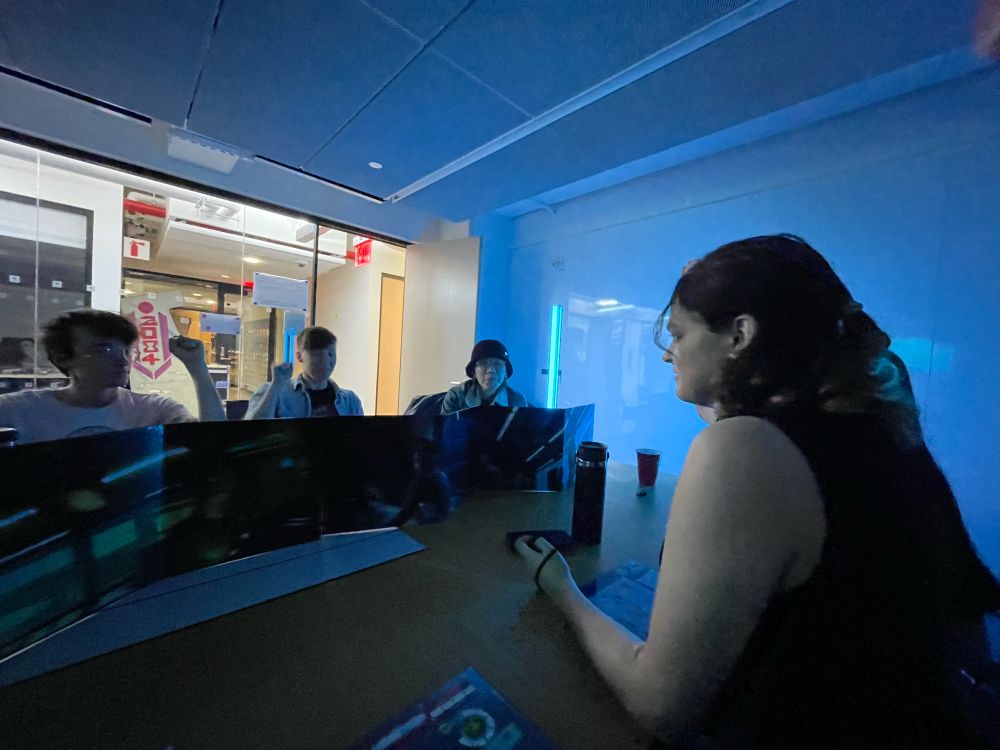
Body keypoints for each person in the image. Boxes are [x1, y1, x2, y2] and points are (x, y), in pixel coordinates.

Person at [516, 235, 1000, 748]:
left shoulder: (743, 451)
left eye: (677, 335)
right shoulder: (874, 412)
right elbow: (740, 411)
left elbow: (661, 707)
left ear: (740, 334)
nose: (667, 355)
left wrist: (561, 590)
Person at [0, 309, 225, 444]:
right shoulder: (18, 410)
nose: (123, 360)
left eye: (127, 350)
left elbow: (214, 441)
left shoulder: (153, 409)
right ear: (62, 357)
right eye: (104, 349)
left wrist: (198, 368)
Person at [244, 326, 362, 419]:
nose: (327, 361)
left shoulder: (350, 401)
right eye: (317, 355)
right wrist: (275, 388)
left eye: (331, 354)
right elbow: (250, 432)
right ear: (299, 356)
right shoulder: (274, 393)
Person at [440, 339, 528, 415]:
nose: (490, 370)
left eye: (497, 364)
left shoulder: (517, 400)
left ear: (505, 371)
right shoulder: (456, 396)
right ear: (473, 370)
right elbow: (445, 432)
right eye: (483, 363)